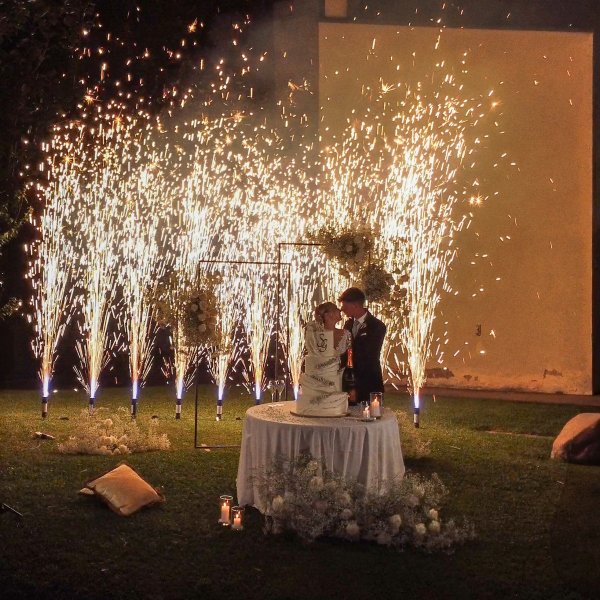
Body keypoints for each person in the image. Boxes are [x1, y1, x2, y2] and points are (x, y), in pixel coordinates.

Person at [295, 302, 352, 417]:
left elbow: (349, 357)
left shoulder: (346, 333)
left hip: (336, 382)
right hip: (315, 382)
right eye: (336, 309)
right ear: (328, 315)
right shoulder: (315, 335)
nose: (340, 310)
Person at [338, 287, 386, 405]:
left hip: (368, 381)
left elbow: (368, 355)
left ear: (355, 305)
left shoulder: (377, 326)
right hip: (350, 381)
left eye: (345, 305)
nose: (342, 309)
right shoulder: (348, 324)